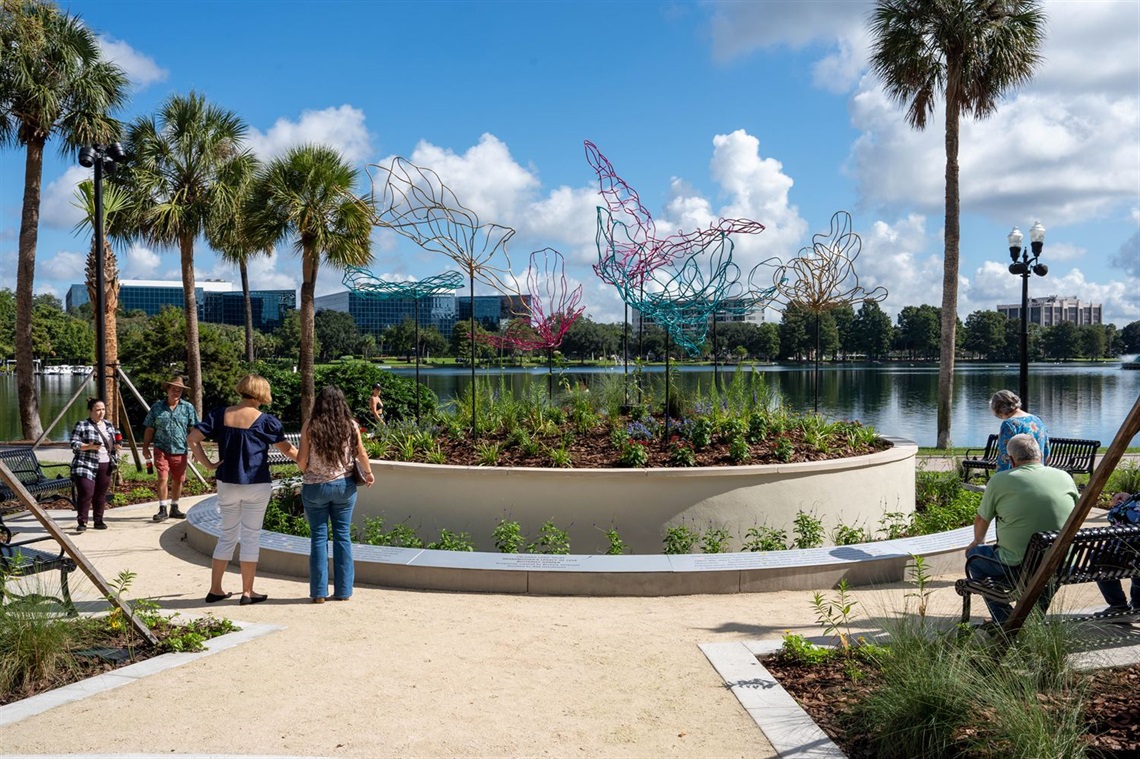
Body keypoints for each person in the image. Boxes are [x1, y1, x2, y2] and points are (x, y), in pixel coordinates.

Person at [187, 374, 297, 605]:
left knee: (227, 534)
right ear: (262, 393)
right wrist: (308, 461)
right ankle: (248, 592)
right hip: (256, 483)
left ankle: (215, 589)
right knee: (250, 536)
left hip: (227, 482)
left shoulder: (219, 414)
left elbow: (193, 438)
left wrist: (208, 464)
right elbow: (287, 450)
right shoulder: (267, 421)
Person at [964, 433, 1078, 625]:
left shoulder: (1000, 481)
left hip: (1018, 564)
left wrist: (978, 542)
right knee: (1046, 569)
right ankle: (1033, 616)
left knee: (975, 557)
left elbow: (982, 519)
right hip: (1061, 561)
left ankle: (1006, 620)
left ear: (1011, 460)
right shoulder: (1064, 477)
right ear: (1040, 455)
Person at [298, 386, 374, 603]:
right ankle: (343, 591)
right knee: (342, 536)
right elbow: (361, 453)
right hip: (344, 486)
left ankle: (319, 593)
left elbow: (302, 460)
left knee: (318, 538)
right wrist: (368, 474)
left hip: (315, 488)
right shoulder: (351, 426)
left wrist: (311, 473)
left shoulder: (310, 426)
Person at [142, 375, 199, 522]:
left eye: (179, 390)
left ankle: (174, 506)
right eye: (174, 389)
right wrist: (146, 446)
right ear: (167, 389)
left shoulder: (187, 408)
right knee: (162, 477)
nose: (176, 393)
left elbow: (194, 429)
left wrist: (197, 450)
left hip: (180, 449)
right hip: (161, 448)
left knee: (179, 479)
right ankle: (162, 508)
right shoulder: (157, 408)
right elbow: (149, 428)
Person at [69, 398, 120, 533]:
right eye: (97, 410)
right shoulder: (82, 425)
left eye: (103, 409)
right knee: (86, 492)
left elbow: (113, 444)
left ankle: (98, 520)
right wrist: (89, 446)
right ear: (90, 411)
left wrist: (116, 445)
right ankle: (82, 521)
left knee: (100, 494)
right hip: (85, 463)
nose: (101, 412)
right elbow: (74, 444)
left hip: (105, 462)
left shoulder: (109, 425)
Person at [1096, 491, 1140, 618]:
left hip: (1129, 556)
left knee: (1099, 558)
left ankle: (1118, 605)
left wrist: (1123, 505)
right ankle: (1137, 603)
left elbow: (1121, 516)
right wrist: (1130, 498)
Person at [989, 389, 1049, 473]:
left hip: (1019, 474)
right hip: (1039, 471)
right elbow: (1046, 449)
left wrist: (999, 477)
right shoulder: (1037, 420)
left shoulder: (1009, 424)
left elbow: (1005, 456)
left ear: (999, 410)